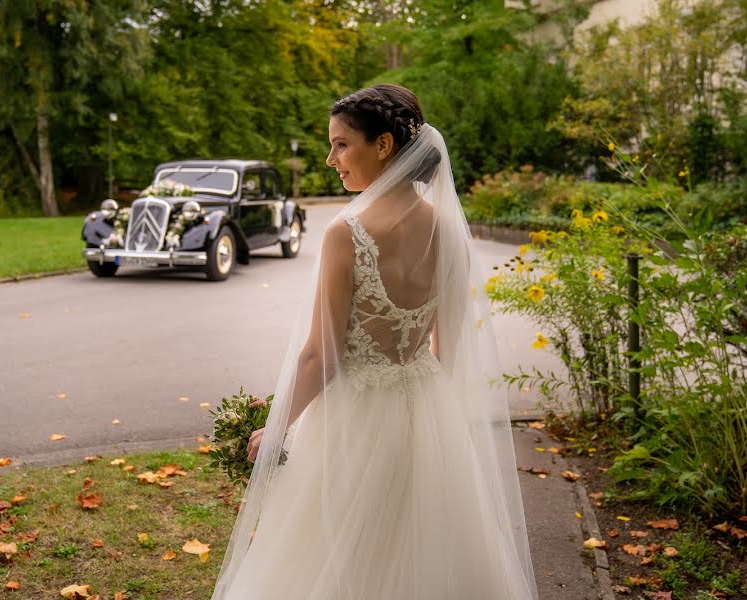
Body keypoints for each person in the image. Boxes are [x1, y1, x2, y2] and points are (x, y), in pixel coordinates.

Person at [210, 84, 540, 600]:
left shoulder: (347, 233)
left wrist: (276, 428)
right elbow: (447, 351)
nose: (330, 159)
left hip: (353, 419)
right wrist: (435, 424)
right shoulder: (447, 233)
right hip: (427, 414)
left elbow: (322, 354)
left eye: (342, 145)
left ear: (383, 145)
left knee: (334, 558)